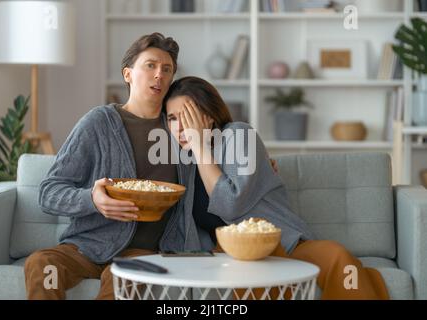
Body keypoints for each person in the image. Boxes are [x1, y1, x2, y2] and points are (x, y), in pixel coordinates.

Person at [163, 76, 389, 300]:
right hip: (230, 258)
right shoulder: (181, 162)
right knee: (250, 270)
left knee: (339, 257)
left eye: (186, 116)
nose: (180, 126)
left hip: (282, 245)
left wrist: (201, 146)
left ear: (209, 116)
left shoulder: (237, 134)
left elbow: (229, 204)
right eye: (172, 118)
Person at [24, 33, 197, 300]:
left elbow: (220, 143)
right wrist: (92, 198)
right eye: (150, 65)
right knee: (42, 264)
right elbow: (49, 192)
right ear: (128, 74)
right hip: (86, 247)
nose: (159, 75)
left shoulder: (178, 128)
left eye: (167, 69)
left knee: (122, 285)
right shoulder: (98, 123)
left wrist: (256, 159)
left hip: (143, 253)